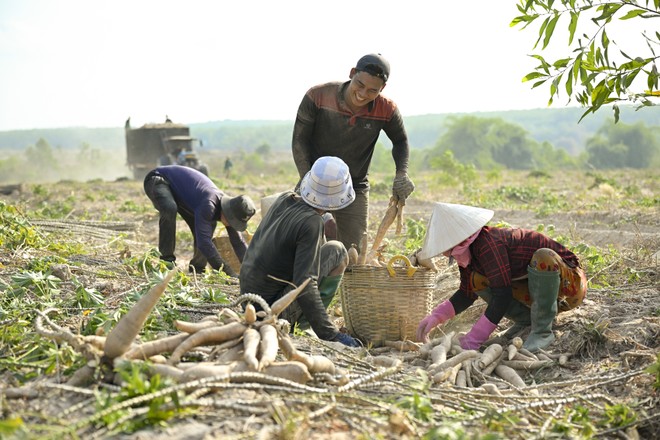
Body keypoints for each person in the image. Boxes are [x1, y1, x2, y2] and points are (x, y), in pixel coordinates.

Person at [416, 202, 587, 352]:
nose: (445, 253)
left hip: (570, 288)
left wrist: (476, 337)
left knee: (543, 257)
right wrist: (436, 316)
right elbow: (467, 292)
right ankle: (526, 320)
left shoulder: (488, 244)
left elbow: (502, 295)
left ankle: (542, 331)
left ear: (458, 240)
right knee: (477, 279)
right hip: (536, 289)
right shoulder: (467, 254)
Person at [292, 53, 415, 254]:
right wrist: (306, 177)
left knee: (353, 253)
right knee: (304, 244)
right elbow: (299, 140)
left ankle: (342, 282)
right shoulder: (318, 96)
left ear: (382, 89)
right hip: (315, 181)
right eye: (360, 84)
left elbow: (400, 141)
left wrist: (402, 173)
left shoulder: (387, 109)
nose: (363, 94)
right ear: (351, 74)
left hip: (354, 185)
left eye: (372, 90)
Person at [239, 156, 360, 347]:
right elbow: (306, 285)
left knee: (329, 249)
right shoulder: (311, 223)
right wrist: (331, 335)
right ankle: (304, 326)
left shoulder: (285, 199)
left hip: (248, 303)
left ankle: (307, 323)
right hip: (270, 312)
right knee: (337, 251)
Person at [143, 165, 256, 277]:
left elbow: (239, 242)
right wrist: (228, 272)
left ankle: (197, 268)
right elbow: (204, 243)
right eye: (233, 221)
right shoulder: (209, 204)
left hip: (182, 195)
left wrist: (252, 272)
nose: (232, 225)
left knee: (209, 225)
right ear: (228, 212)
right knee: (169, 208)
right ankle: (167, 262)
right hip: (158, 180)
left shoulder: (231, 209)